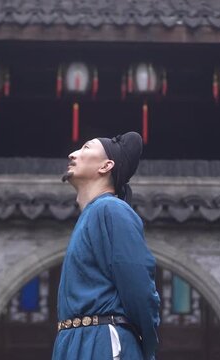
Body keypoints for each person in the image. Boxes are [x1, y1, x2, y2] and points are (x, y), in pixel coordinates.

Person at [52, 132, 160, 360]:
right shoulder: (90, 216)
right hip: (73, 343)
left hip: (103, 342)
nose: (72, 154)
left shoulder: (112, 210)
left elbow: (139, 287)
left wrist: (147, 349)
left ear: (106, 165)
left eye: (85, 148)